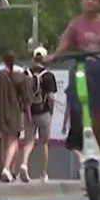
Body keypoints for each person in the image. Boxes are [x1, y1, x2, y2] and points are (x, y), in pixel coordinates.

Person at [49, 0, 100, 161]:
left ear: (99, 3)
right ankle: (84, 154)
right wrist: (53, 56)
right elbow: (64, 45)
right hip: (82, 70)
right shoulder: (76, 24)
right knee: (80, 113)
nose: (90, 1)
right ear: (81, 1)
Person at [0, 50, 30, 182]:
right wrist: (28, 114)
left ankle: (1, 169)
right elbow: (26, 98)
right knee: (13, 140)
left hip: (0, 110)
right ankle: (7, 168)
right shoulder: (21, 77)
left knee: (3, 141)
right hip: (14, 111)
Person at [21, 47, 58, 182]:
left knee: (29, 141)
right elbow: (51, 97)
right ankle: (43, 173)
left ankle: (24, 164)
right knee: (44, 143)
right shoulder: (48, 76)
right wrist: (51, 111)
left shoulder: (25, 74)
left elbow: (23, 96)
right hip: (44, 113)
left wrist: (27, 111)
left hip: (29, 112)